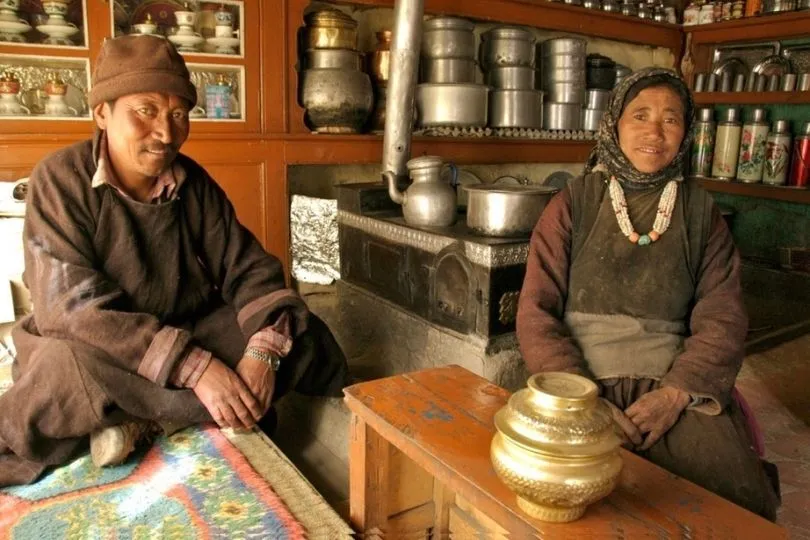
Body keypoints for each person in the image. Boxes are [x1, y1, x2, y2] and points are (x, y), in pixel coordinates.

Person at [0, 35, 349, 486]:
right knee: (62, 374)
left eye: (179, 114)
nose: (166, 133)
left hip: (184, 327)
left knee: (296, 335)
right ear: (102, 113)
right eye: (145, 111)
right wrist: (197, 368)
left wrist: (262, 353)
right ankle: (169, 415)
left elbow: (248, 269)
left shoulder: (192, 182)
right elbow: (71, 308)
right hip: (102, 343)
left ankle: (141, 422)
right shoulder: (59, 179)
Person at [516, 67, 779, 520]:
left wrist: (676, 394)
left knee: (735, 503)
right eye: (640, 115)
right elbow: (537, 310)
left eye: (671, 119)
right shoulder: (573, 202)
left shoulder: (701, 212)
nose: (655, 132)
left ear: (686, 132)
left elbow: (723, 317)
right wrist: (582, 398)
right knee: (550, 488)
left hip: (672, 380)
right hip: (577, 380)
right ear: (615, 123)